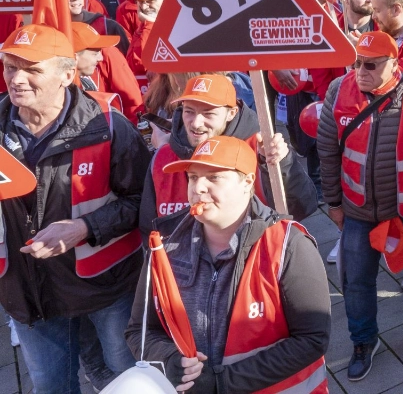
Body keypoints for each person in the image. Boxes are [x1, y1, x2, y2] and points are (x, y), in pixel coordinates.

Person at [0, 24, 149, 394]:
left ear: (68, 75)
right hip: (28, 291)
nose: (16, 78)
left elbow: (144, 203)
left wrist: (83, 228)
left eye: (32, 69)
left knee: (126, 376)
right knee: (51, 386)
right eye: (9, 66)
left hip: (106, 286)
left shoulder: (109, 126)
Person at [125, 136, 331, 394]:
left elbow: (312, 339)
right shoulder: (163, 246)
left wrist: (221, 382)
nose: (198, 187)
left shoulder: (288, 244)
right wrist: (169, 359)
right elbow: (140, 331)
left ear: (247, 182)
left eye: (213, 177)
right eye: (192, 177)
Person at [317, 32, 403, 381]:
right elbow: (328, 153)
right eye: (357, 62)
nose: (360, 70)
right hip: (358, 213)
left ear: (394, 64)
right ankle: (363, 341)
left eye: (371, 64)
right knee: (356, 281)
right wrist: (334, 203)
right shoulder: (338, 91)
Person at [142, 74, 317, 233]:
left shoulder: (260, 150)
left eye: (208, 113)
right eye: (189, 111)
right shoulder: (163, 159)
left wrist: (282, 163)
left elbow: (301, 208)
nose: (196, 123)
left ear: (231, 113)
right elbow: (149, 229)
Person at [71, 22, 144, 123]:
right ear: (75, 57)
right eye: (95, 53)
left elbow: (132, 102)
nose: (101, 58)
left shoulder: (109, 54)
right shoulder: (54, 86)